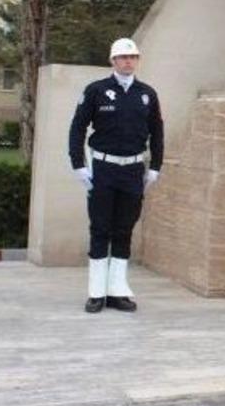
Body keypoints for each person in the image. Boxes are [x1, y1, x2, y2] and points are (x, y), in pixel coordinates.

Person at [68, 38, 164, 314]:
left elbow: (157, 133)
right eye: (122, 57)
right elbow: (77, 129)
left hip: (133, 170)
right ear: (112, 61)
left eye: (132, 57)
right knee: (100, 229)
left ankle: (117, 291)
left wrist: (155, 166)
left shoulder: (147, 94)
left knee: (124, 230)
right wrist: (79, 165)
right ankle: (96, 292)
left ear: (137, 61)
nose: (128, 61)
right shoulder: (96, 91)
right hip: (103, 169)